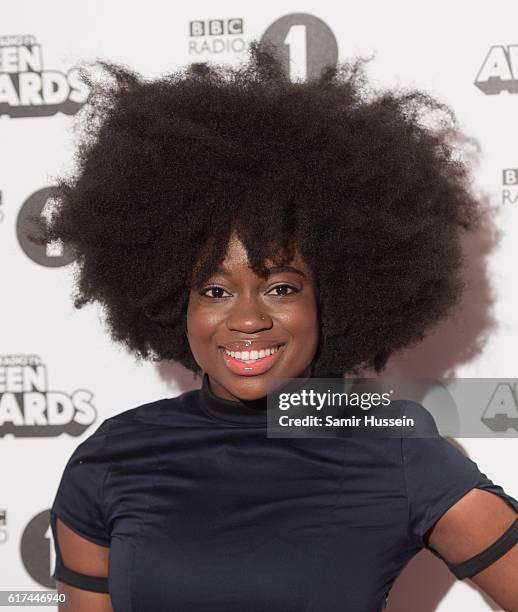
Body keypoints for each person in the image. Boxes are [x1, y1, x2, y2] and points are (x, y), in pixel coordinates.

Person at [40, 41, 518, 611]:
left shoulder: (395, 449)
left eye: (281, 288)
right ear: (172, 300)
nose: (246, 317)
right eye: (214, 290)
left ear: (335, 297)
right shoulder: (113, 456)